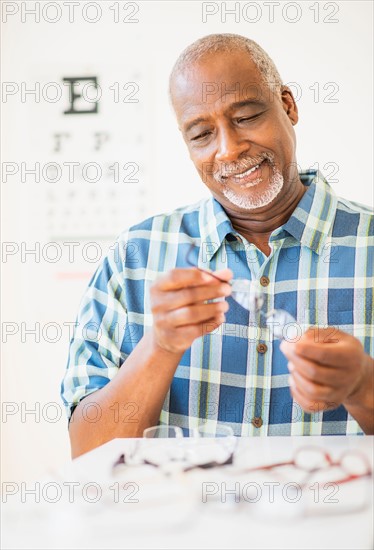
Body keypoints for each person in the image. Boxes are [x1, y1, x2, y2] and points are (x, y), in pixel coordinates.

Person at [61, 34, 373, 458]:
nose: (229, 148)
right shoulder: (135, 257)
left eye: (245, 116)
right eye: (202, 133)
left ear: (288, 105)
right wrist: (159, 347)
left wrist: (362, 387)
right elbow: (88, 452)